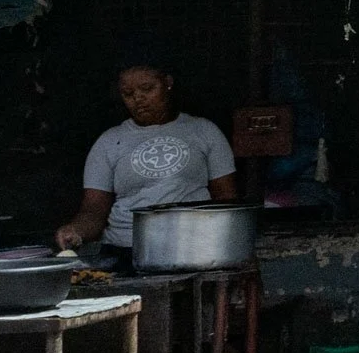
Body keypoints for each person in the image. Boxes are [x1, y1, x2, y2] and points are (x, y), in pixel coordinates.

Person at [53, 63, 237, 266]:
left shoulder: (204, 131)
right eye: (128, 93)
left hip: (191, 247)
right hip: (125, 250)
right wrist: (76, 230)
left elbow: (225, 197)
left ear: (167, 83)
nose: (138, 99)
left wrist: (217, 244)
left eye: (147, 89)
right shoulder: (109, 141)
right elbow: (94, 209)